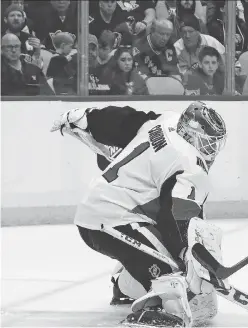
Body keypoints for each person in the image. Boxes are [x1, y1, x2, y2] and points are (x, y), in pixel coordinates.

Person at [50, 102, 228, 326]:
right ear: (190, 133)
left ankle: (125, 282)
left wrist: (90, 118)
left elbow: (125, 120)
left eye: (214, 145)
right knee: (175, 275)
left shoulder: (167, 121)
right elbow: (174, 218)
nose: (210, 151)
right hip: (115, 220)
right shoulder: (190, 165)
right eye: (206, 143)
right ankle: (167, 312)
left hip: (104, 211)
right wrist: (188, 253)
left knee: (175, 260)